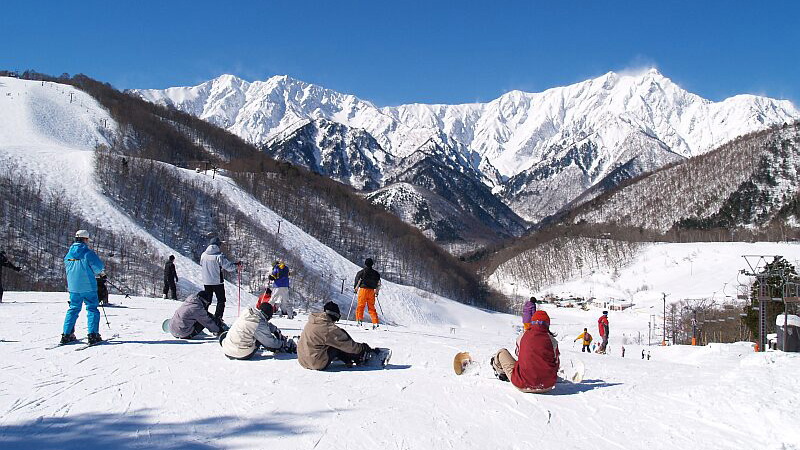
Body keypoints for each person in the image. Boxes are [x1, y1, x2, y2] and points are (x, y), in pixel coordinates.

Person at [297, 301, 383, 370]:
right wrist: (362, 348)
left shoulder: (314, 321)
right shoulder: (328, 329)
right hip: (315, 363)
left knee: (334, 341)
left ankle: (347, 358)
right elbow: (347, 344)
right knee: (338, 342)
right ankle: (361, 357)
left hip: (303, 360)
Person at [491, 310, 560, 393]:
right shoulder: (553, 341)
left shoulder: (523, 336)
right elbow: (556, 363)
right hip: (547, 386)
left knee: (502, 353)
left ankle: (501, 372)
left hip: (523, 384)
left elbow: (518, 354)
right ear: (547, 324)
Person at [61, 230, 105, 345]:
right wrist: (101, 274)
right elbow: (98, 267)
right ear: (85, 239)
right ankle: (93, 335)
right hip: (88, 286)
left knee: (73, 309)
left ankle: (67, 334)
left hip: (73, 287)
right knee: (92, 309)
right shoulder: (87, 253)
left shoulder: (68, 254)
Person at [221, 302, 296, 360]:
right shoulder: (259, 323)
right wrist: (282, 344)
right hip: (240, 354)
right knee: (261, 339)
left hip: (226, 349)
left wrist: (273, 329)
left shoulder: (249, 313)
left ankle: (231, 342)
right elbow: (270, 343)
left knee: (246, 331)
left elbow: (262, 323)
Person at [200, 237, 240, 320]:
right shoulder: (219, 256)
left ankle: (202, 316)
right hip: (217, 282)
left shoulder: (203, 255)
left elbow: (201, 264)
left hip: (206, 281)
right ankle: (218, 318)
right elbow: (229, 267)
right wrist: (236, 266)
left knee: (207, 300)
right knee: (221, 300)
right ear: (218, 245)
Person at [353, 258, 381, 328]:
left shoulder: (362, 272)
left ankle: (359, 321)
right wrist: (376, 292)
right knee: (371, 308)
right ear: (372, 264)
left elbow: (357, 281)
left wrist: (355, 289)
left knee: (360, 306)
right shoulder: (376, 274)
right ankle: (375, 322)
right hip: (371, 291)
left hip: (363, 290)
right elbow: (378, 284)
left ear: (365, 264)